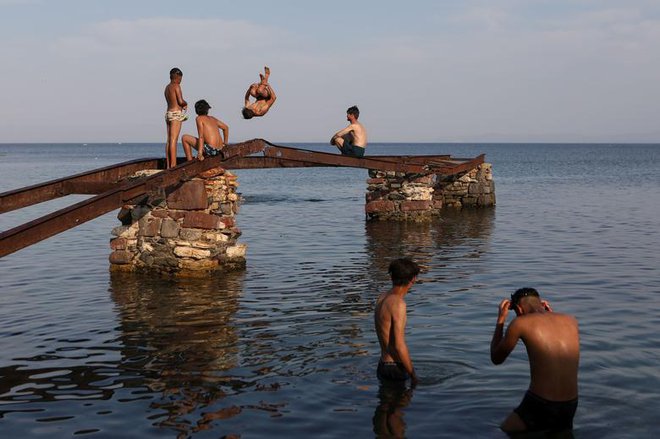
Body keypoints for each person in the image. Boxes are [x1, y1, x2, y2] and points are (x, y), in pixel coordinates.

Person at [490, 287, 580, 434]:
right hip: (571, 404)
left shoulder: (520, 323)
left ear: (519, 308)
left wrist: (501, 320)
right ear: (543, 304)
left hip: (541, 403)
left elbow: (496, 358)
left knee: (502, 431)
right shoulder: (571, 321)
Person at [374, 258, 420, 387]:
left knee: (385, 406)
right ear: (413, 279)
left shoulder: (382, 298)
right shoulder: (398, 304)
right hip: (395, 368)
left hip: (382, 365)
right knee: (401, 404)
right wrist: (413, 375)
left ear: (392, 277)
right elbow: (399, 346)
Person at [164, 67, 188, 169]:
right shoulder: (176, 86)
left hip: (168, 113)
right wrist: (185, 103)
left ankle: (169, 164)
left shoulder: (167, 88)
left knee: (169, 140)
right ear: (177, 77)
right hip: (176, 114)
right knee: (174, 139)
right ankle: (173, 165)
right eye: (180, 79)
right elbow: (180, 100)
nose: (181, 81)